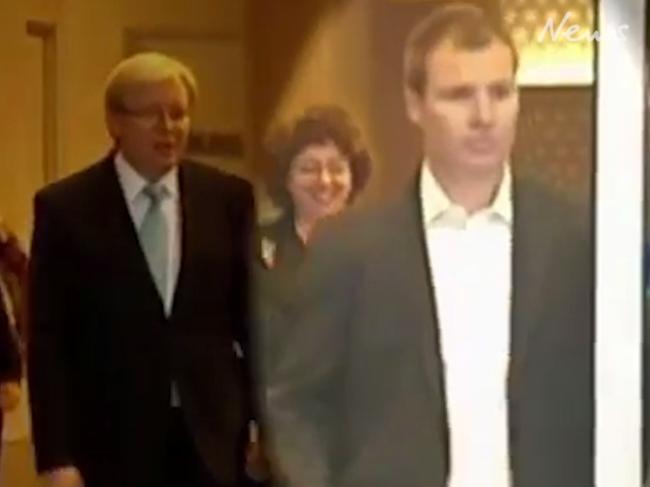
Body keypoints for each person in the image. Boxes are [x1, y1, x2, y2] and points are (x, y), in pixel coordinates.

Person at [264, 4, 593, 487]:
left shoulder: (576, 237)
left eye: (500, 92)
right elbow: (296, 405)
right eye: (459, 95)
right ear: (414, 104)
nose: (484, 115)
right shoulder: (350, 250)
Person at [28, 52, 258, 487]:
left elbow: (253, 321)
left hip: (213, 438)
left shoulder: (227, 199)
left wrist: (267, 422)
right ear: (115, 123)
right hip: (111, 441)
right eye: (151, 114)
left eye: (178, 113)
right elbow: (48, 342)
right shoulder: (65, 209)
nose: (168, 127)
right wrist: (56, 457)